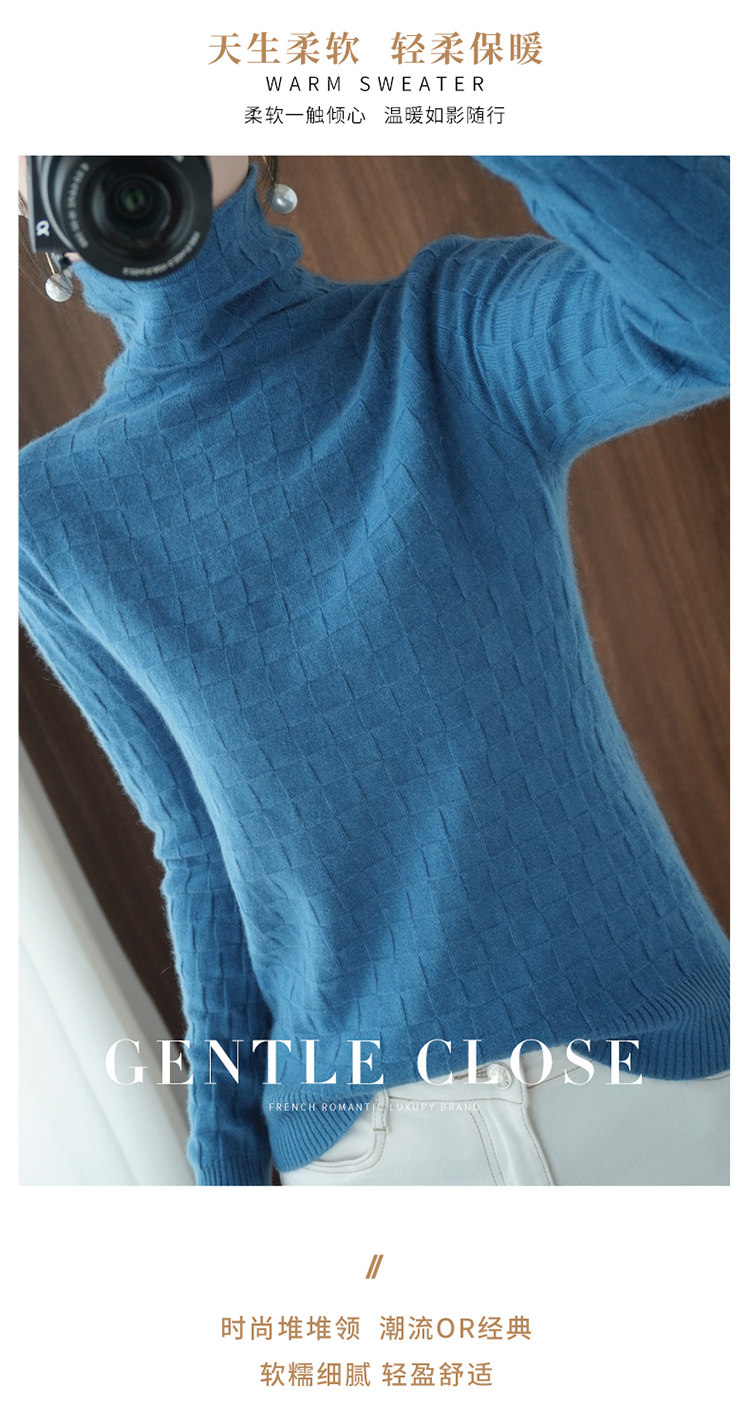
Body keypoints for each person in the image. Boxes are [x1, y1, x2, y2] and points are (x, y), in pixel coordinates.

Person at [19, 155, 730, 1186]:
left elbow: (712, 310)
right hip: (372, 1159)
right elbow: (200, 849)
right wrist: (224, 1192)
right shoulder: (48, 518)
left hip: (662, 1090)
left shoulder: (448, 334)